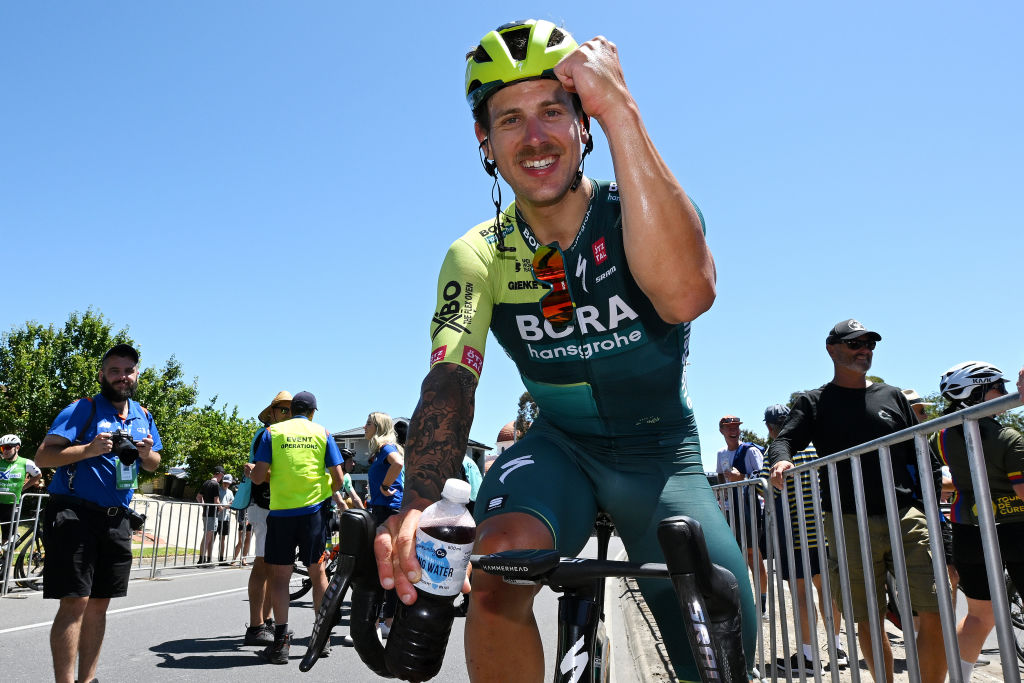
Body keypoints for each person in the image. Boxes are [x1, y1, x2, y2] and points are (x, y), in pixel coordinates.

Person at [374, 20, 754, 682]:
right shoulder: (479, 253)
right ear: (484, 140)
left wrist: (621, 112)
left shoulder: (638, 208)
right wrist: (416, 501)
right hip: (559, 448)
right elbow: (450, 382)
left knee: (719, 640)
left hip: (660, 454)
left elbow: (687, 295)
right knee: (493, 566)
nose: (536, 136)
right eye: (510, 119)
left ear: (583, 122)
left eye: (554, 109)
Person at [768, 319, 945, 683]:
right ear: (832, 350)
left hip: (906, 513)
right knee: (867, 616)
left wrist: (935, 493)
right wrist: (781, 460)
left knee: (936, 607)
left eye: (869, 344)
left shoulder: (892, 395)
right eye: (855, 344)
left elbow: (919, 450)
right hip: (848, 521)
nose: (864, 349)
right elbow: (785, 440)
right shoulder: (813, 402)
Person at [35, 343, 161, 683]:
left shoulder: (142, 414)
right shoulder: (83, 409)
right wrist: (88, 449)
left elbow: (154, 462)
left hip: (117, 517)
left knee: (100, 604)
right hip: (75, 513)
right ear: (103, 374)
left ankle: (87, 679)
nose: (122, 377)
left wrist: (147, 454)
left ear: (137, 374)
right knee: (75, 601)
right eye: (115, 371)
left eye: (128, 371)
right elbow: (44, 457)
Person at [930, 361, 1024, 682]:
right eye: (998, 387)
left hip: (967, 531)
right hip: (1016, 531)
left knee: (978, 617)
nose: (1005, 394)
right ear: (978, 392)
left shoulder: (938, 438)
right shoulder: (1008, 438)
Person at [250, 391, 345, 664]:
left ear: (291, 410)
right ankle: (322, 638)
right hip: (313, 514)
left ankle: (280, 643)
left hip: (281, 514)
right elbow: (338, 478)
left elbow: (258, 478)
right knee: (319, 574)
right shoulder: (322, 433)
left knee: (279, 579)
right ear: (313, 412)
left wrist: (262, 474)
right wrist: (322, 490)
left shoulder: (273, 432)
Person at [760, 405, 845, 675]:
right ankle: (837, 648)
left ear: (770, 427)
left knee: (801, 595)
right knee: (828, 592)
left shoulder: (775, 453)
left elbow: (767, 492)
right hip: (826, 532)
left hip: (794, 535)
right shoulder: (818, 447)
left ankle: (808, 657)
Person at [242, 390, 293, 646]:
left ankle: (265, 621)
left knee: (274, 568)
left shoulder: (278, 435)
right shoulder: (268, 434)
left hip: (275, 506)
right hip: (265, 505)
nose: (287, 413)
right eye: (282, 409)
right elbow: (261, 474)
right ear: (271, 412)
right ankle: (256, 625)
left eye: (290, 409)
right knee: (263, 565)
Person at [715, 415, 768, 618]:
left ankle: (761, 607)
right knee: (736, 559)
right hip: (729, 511)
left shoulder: (749, 450)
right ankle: (743, 603)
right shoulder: (721, 454)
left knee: (754, 557)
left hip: (749, 509)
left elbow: (762, 476)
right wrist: (722, 494)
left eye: (736, 426)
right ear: (721, 431)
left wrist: (742, 478)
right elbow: (720, 475)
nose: (733, 430)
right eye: (729, 427)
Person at [365, 411, 404, 637]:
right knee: (389, 564)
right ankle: (388, 621)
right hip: (388, 510)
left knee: (384, 564)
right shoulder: (384, 449)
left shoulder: (386, 448)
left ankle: (385, 622)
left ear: (378, 427)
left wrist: (384, 486)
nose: (364, 426)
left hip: (388, 510)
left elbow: (397, 464)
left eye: (368, 423)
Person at [0, 433, 42, 545]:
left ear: (17, 448)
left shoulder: (26, 463)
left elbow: (38, 475)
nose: (5, 450)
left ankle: (4, 559)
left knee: (7, 535)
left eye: (8, 447)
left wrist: (24, 488)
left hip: (12, 503)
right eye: (2, 448)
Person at [196, 465, 223, 566]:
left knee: (207, 536)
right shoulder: (215, 485)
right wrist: (222, 508)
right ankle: (202, 560)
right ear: (220, 474)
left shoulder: (206, 483)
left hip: (206, 512)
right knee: (207, 537)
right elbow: (216, 501)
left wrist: (203, 505)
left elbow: (198, 497)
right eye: (222, 476)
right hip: (212, 513)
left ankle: (204, 559)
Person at [215, 473, 235, 564]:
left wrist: (228, 505)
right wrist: (222, 507)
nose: (226, 484)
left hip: (225, 518)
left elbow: (232, 503)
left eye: (228, 483)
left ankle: (221, 558)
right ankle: (208, 557)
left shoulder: (230, 492)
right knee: (213, 538)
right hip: (217, 517)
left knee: (222, 539)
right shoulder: (218, 489)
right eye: (225, 482)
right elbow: (216, 501)